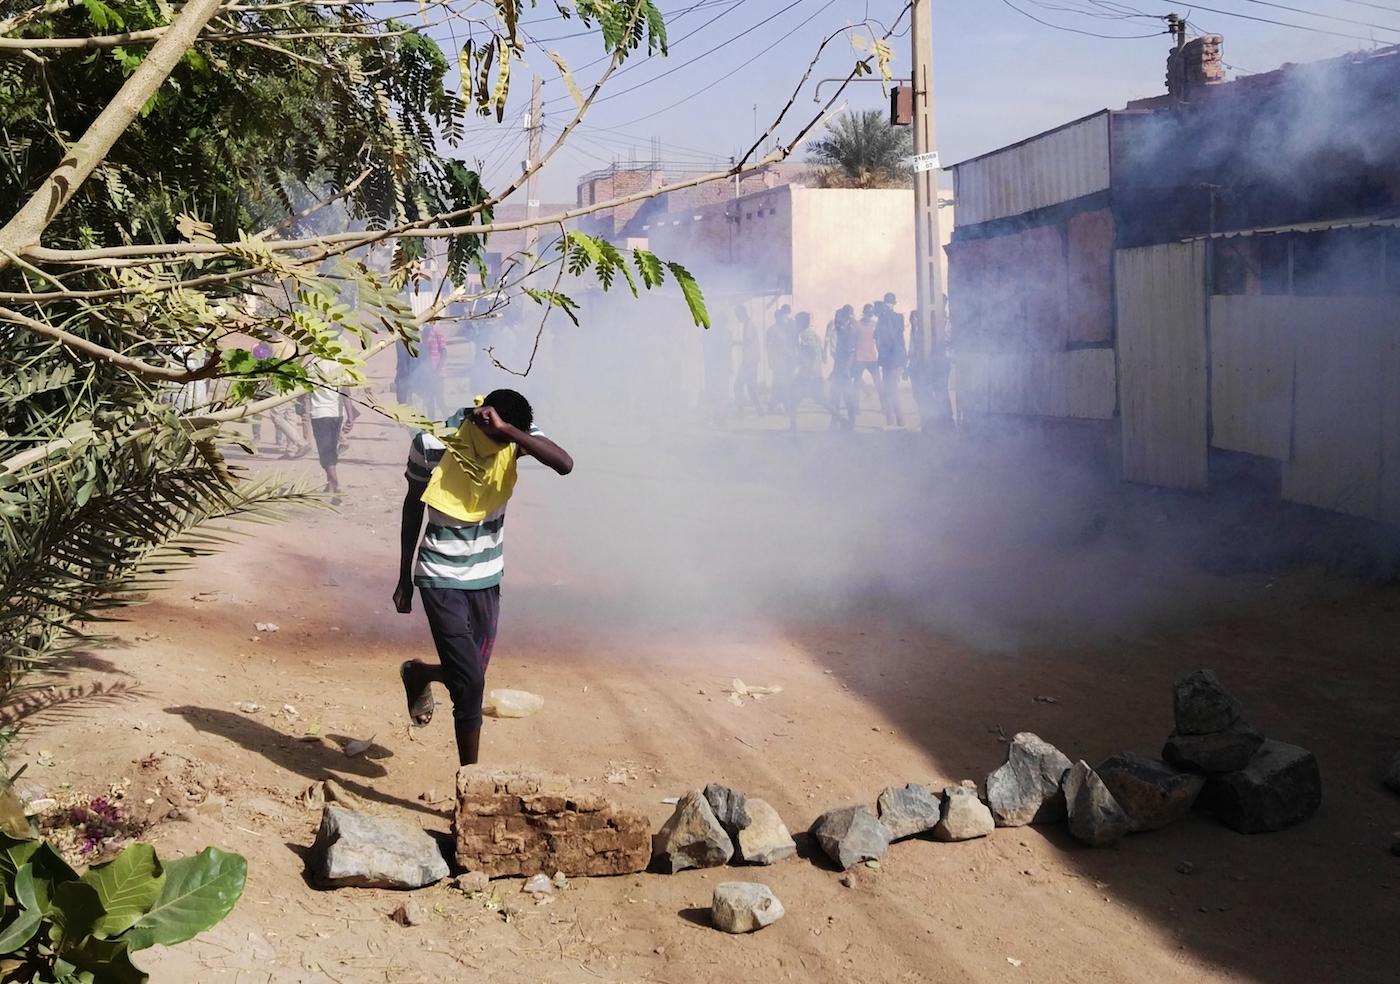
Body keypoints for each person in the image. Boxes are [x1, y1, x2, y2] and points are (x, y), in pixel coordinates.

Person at [394, 390, 574, 768]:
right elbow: (412, 507)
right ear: (480, 418)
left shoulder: (514, 436)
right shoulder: (430, 444)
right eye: (502, 433)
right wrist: (404, 577)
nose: (508, 444)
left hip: (487, 576)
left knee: (469, 675)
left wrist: (508, 430)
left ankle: (419, 673)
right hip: (439, 576)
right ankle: (470, 782)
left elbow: (564, 463)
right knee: (471, 686)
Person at [307, 356, 359, 502]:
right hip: (337, 414)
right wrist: (350, 416)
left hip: (319, 413)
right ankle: (330, 484)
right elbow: (346, 391)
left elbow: (303, 390)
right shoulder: (340, 361)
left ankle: (335, 485)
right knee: (330, 450)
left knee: (326, 452)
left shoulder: (312, 363)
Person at [875, 292, 908, 429]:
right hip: (886, 358)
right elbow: (877, 337)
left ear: (894, 304)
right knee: (887, 391)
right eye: (886, 302)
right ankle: (891, 422)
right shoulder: (881, 319)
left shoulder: (898, 317)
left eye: (890, 302)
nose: (888, 304)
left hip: (895, 357)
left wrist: (904, 361)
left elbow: (894, 334)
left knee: (893, 390)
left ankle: (900, 421)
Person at [788, 312, 825, 430]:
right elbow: (815, 353)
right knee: (820, 400)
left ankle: (793, 426)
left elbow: (813, 353)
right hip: (811, 373)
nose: (795, 323)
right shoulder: (810, 333)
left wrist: (810, 373)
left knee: (793, 399)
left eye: (797, 321)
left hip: (808, 374)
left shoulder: (805, 335)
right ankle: (842, 419)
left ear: (802, 322)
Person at [826, 304, 859, 428]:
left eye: (839, 319)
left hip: (845, 371)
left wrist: (846, 370)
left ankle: (851, 423)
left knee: (847, 397)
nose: (836, 322)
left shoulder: (849, 333)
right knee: (835, 397)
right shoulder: (841, 331)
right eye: (836, 319)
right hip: (839, 369)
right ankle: (834, 423)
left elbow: (851, 353)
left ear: (845, 320)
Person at [732, 305, 763, 416]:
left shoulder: (749, 325)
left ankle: (740, 411)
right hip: (750, 361)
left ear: (742, 313)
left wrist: (735, 343)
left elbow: (748, 343)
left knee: (738, 385)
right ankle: (760, 411)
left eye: (737, 315)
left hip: (749, 362)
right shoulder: (748, 324)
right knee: (751, 388)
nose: (736, 318)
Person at [765, 304, 795, 415]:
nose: (785, 318)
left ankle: (775, 405)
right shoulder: (772, 330)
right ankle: (782, 406)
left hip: (787, 362)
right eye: (782, 316)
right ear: (777, 318)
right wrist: (771, 361)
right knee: (780, 384)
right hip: (778, 362)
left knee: (782, 384)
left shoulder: (786, 330)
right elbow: (768, 348)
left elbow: (789, 345)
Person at [852, 303, 881, 412]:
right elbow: (853, 340)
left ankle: (885, 407)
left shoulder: (875, 324)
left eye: (871, 314)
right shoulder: (857, 325)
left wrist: (880, 353)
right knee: (857, 384)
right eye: (867, 313)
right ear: (863, 313)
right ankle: (855, 408)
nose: (869, 315)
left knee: (879, 384)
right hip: (859, 358)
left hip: (872, 358)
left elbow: (878, 340)